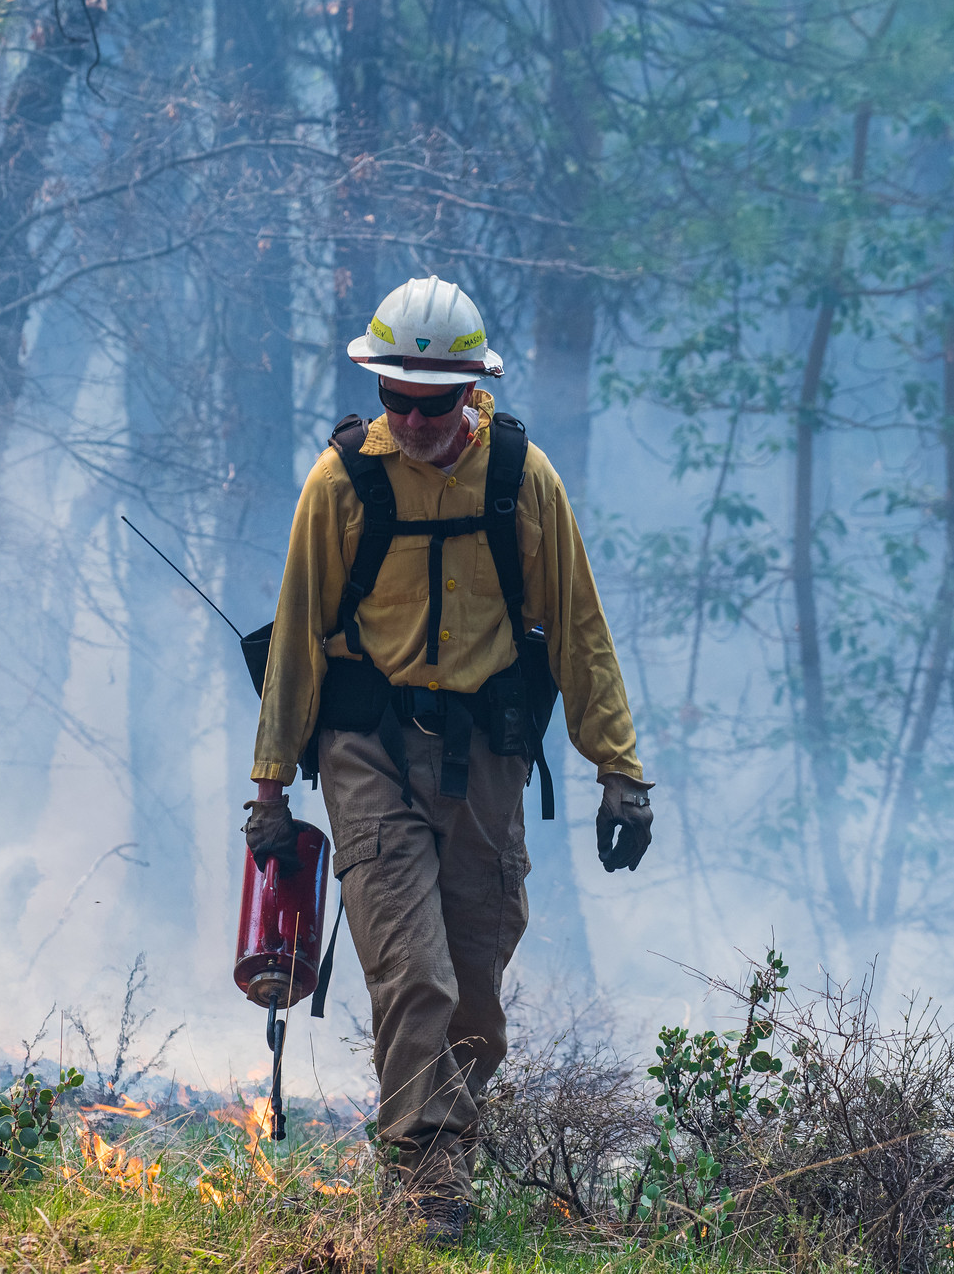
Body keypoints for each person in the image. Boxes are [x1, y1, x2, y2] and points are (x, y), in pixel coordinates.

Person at [243, 275, 651, 1244]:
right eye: (396, 399)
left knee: (473, 981)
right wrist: (266, 793)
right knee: (413, 974)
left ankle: (439, 1153)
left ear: (473, 390)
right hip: (363, 755)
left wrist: (619, 773)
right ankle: (424, 1187)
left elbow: (579, 635)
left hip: (484, 758)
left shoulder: (519, 480)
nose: (415, 419)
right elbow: (296, 640)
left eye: (434, 401)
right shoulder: (340, 483)